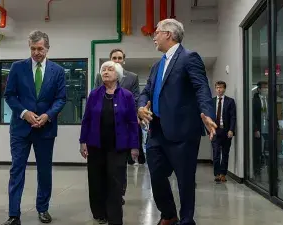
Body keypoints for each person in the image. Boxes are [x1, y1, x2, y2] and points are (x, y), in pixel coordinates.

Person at [137, 19, 217, 225]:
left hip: (182, 131)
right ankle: (169, 213)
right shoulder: (157, 65)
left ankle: (187, 220)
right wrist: (140, 107)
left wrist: (207, 113)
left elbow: (201, 88)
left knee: (185, 180)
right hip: (156, 131)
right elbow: (146, 91)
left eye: (157, 32)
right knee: (155, 175)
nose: (153, 36)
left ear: (168, 35)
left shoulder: (189, 58)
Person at [2, 30, 66, 225]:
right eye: (33, 48)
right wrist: (24, 113)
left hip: (45, 129)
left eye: (40, 48)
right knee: (16, 170)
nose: (37, 52)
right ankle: (14, 214)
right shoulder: (17, 68)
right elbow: (10, 95)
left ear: (47, 48)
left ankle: (43, 208)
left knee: (44, 171)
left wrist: (47, 116)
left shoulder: (58, 71)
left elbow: (61, 98)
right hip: (21, 129)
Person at [80, 61, 139, 225]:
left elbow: (133, 122)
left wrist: (134, 146)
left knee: (115, 182)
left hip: (118, 147)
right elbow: (87, 119)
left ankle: (114, 218)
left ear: (118, 75)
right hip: (95, 145)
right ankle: (99, 213)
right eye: (103, 69)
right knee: (96, 181)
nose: (106, 72)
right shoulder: (94, 94)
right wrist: (82, 141)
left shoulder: (126, 95)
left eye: (110, 69)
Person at [94, 48, 144, 205]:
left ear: (124, 60)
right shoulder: (100, 75)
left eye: (119, 58)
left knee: (120, 165)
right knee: (105, 164)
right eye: (113, 58)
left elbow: (136, 97)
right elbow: (96, 95)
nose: (116, 60)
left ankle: (119, 193)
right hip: (105, 126)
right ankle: (106, 193)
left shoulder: (132, 77)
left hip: (124, 125)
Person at [212, 81, 236, 183]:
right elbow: (207, 117)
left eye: (221, 88)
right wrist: (210, 131)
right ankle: (217, 174)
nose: (219, 89)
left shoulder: (230, 101)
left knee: (225, 153)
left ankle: (223, 174)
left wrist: (231, 130)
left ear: (224, 89)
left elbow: (233, 117)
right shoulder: (211, 101)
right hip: (215, 131)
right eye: (217, 88)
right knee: (216, 153)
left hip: (226, 131)